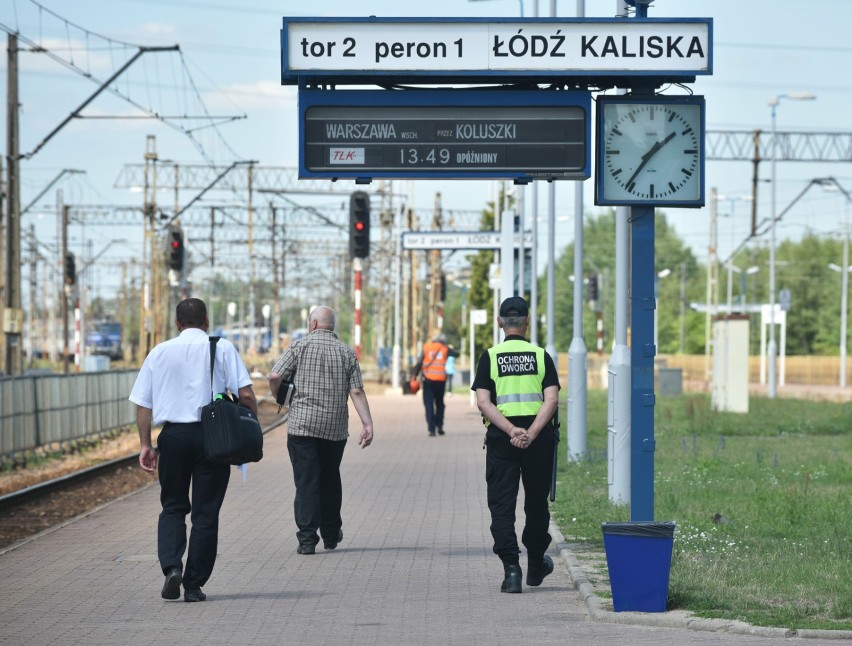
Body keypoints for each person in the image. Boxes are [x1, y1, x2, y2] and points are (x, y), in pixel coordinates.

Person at [129, 298, 257, 603]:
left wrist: (146, 444)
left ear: (177, 323)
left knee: (173, 506)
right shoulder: (221, 348)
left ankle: (172, 566)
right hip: (213, 438)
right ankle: (194, 585)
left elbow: (143, 404)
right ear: (206, 322)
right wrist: (250, 425)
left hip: (172, 437)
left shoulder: (159, 352)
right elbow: (247, 394)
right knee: (205, 512)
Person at [267, 305, 374, 555]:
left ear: (313, 324)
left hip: (302, 426)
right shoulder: (347, 353)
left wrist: (280, 397)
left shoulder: (298, 347)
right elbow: (357, 391)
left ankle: (307, 540)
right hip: (334, 429)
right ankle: (330, 534)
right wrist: (367, 423)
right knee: (329, 477)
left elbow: (274, 376)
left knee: (306, 481)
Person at [471, 296, 560, 594]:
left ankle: (511, 569)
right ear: (526, 321)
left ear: (499, 322)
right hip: (538, 443)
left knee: (502, 506)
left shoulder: (490, 357)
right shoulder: (540, 355)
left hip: (501, 441)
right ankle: (535, 563)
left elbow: (483, 402)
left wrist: (511, 430)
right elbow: (552, 399)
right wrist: (532, 433)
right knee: (536, 504)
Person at [413, 332, 459, 436]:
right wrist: (447, 349)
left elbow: (419, 362)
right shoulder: (445, 349)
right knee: (440, 404)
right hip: (441, 380)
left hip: (428, 380)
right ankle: (440, 425)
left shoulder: (426, 347)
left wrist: (414, 375)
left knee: (428, 404)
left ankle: (431, 429)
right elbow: (457, 354)